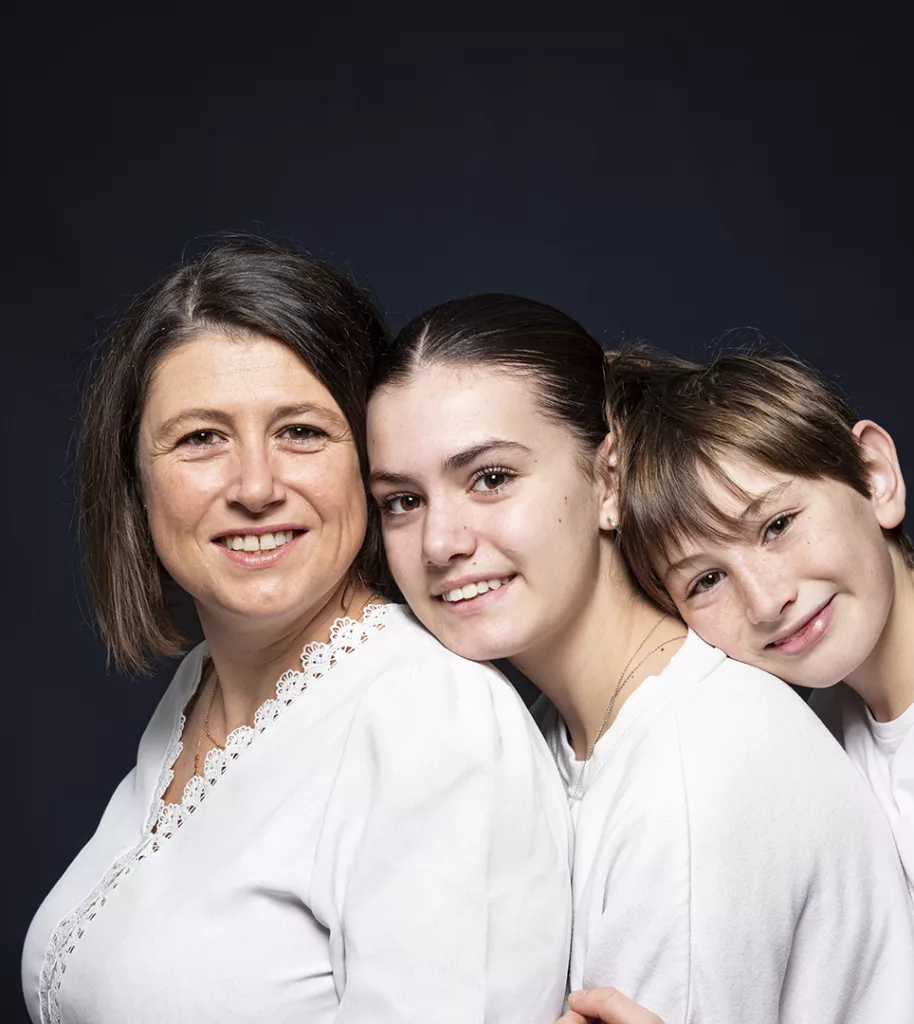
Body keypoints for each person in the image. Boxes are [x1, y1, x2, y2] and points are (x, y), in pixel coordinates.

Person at [21, 242, 571, 1024]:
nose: (255, 487)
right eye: (200, 438)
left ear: (370, 463)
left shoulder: (432, 718)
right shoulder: (203, 687)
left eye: (302, 431)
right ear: (135, 482)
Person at [365, 293, 914, 1024]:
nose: (440, 542)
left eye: (492, 477)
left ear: (606, 480)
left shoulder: (694, 770)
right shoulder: (551, 734)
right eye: (402, 501)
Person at [600, 345, 914, 1024]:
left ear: (875, 476)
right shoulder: (822, 720)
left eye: (776, 526)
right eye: (705, 580)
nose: (766, 601)